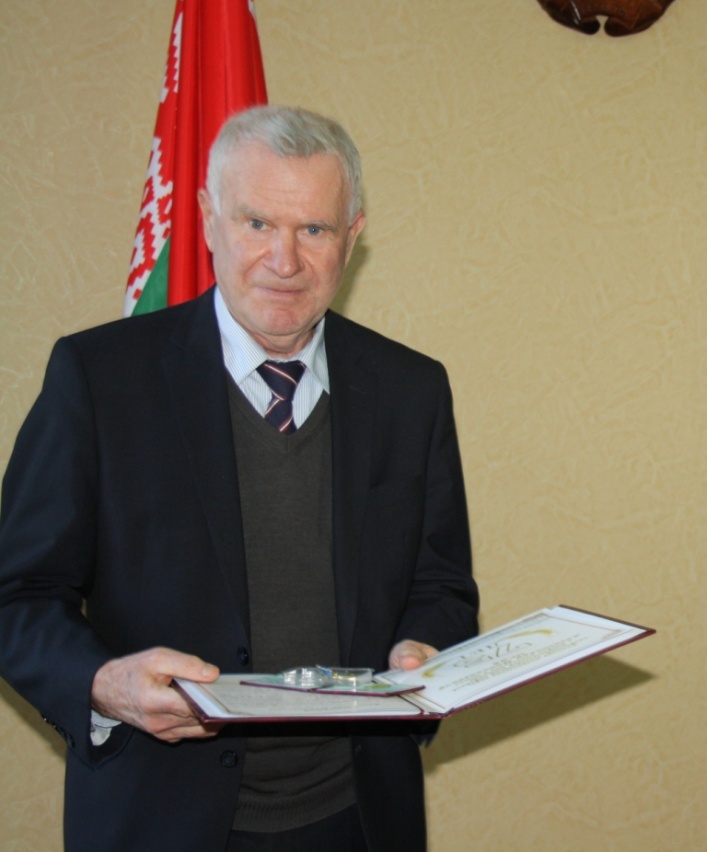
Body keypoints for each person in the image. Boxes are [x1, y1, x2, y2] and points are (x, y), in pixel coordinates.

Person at [0, 105, 478, 851]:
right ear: (207, 219)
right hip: (159, 818)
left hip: (357, 818)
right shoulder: (99, 378)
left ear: (352, 236)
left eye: (313, 229)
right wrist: (104, 684)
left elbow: (441, 586)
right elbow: (17, 595)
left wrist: (421, 651)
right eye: (257, 223)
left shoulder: (410, 389)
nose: (284, 261)